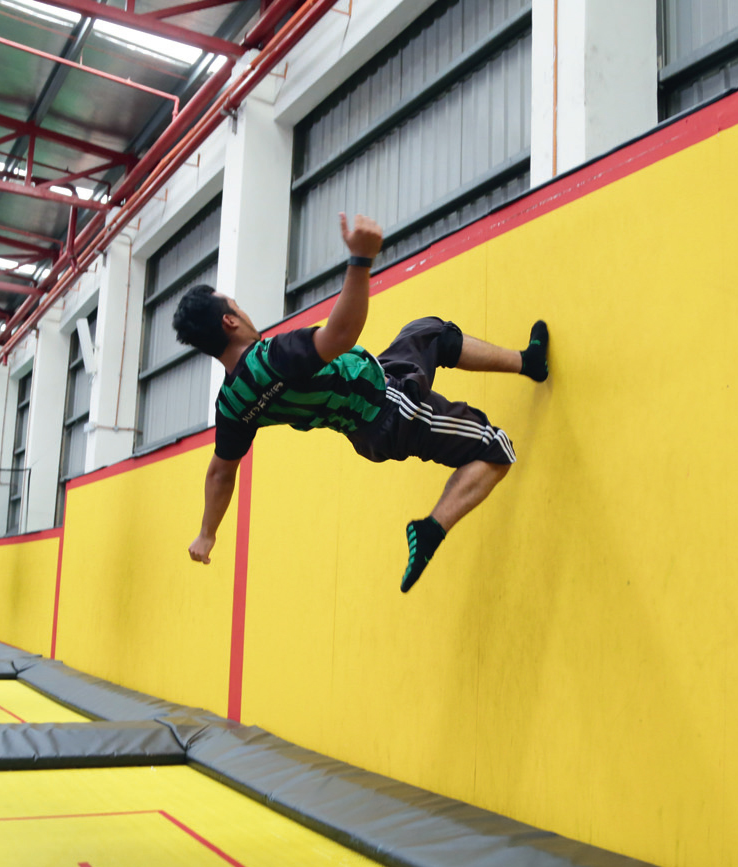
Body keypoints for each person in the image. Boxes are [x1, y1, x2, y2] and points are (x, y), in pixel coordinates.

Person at [174, 214, 548, 592]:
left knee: (428, 332)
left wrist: (207, 533)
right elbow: (341, 333)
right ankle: (432, 528)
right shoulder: (272, 356)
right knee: (496, 449)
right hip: (393, 409)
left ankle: (527, 362)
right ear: (230, 322)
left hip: (373, 408)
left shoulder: (232, 403)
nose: (245, 311)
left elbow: (220, 473)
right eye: (237, 306)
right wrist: (360, 261)